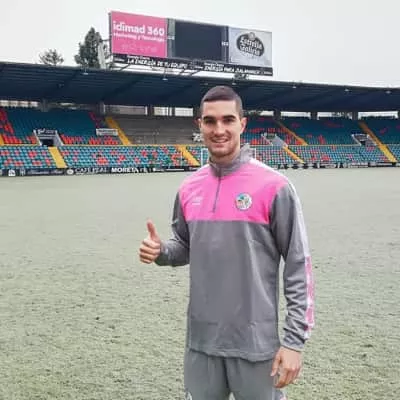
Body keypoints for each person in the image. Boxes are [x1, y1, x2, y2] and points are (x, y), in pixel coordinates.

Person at [139, 85, 315, 400]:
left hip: (256, 345)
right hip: (201, 343)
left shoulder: (275, 187)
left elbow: (298, 264)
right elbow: (185, 246)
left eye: (228, 120)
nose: (218, 129)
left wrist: (293, 342)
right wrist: (161, 251)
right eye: (210, 121)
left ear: (242, 124)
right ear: (200, 125)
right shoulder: (189, 188)